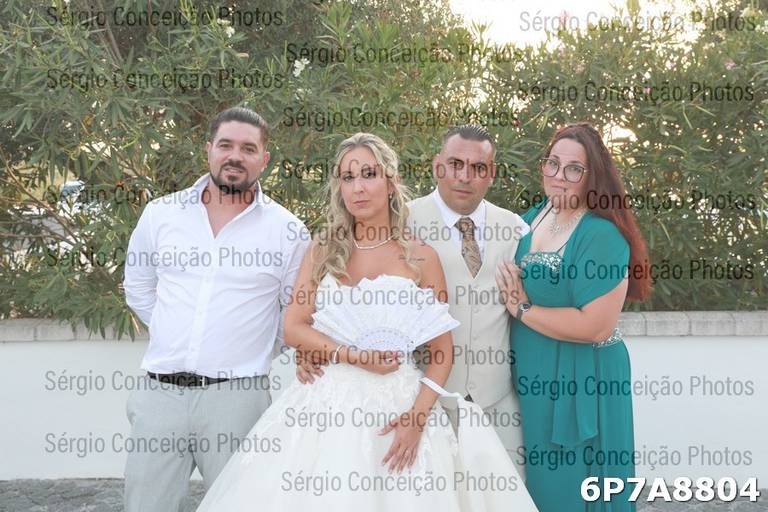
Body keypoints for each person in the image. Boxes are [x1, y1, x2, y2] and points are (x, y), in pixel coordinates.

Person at [196, 132, 537, 511]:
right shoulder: (323, 248)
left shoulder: (421, 256)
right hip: (323, 408)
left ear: (391, 182)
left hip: (400, 406)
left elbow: (442, 352)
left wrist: (416, 418)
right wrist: (349, 355)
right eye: (348, 177)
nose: (358, 187)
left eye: (369, 174)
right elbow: (294, 327)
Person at [122, 107, 309, 512]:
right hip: (160, 396)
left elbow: (293, 312)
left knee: (240, 506)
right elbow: (138, 287)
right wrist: (174, 331)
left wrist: (251, 351)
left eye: (248, 148)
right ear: (208, 149)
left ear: (264, 159)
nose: (235, 156)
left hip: (237, 399)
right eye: (225, 145)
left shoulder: (288, 231)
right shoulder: (161, 214)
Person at [496, 122, 651, 512]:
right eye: (553, 163)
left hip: (584, 377)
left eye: (574, 169)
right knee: (538, 488)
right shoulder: (530, 218)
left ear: (591, 176)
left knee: (572, 489)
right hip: (535, 376)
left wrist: (523, 309)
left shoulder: (601, 234)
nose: (559, 176)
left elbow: (596, 326)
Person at [405, 124, 529, 477]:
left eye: (478, 167)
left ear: (491, 174)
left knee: (503, 494)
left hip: (497, 400)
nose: (465, 176)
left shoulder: (515, 228)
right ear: (437, 166)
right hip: (427, 398)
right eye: (455, 164)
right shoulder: (402, 221)